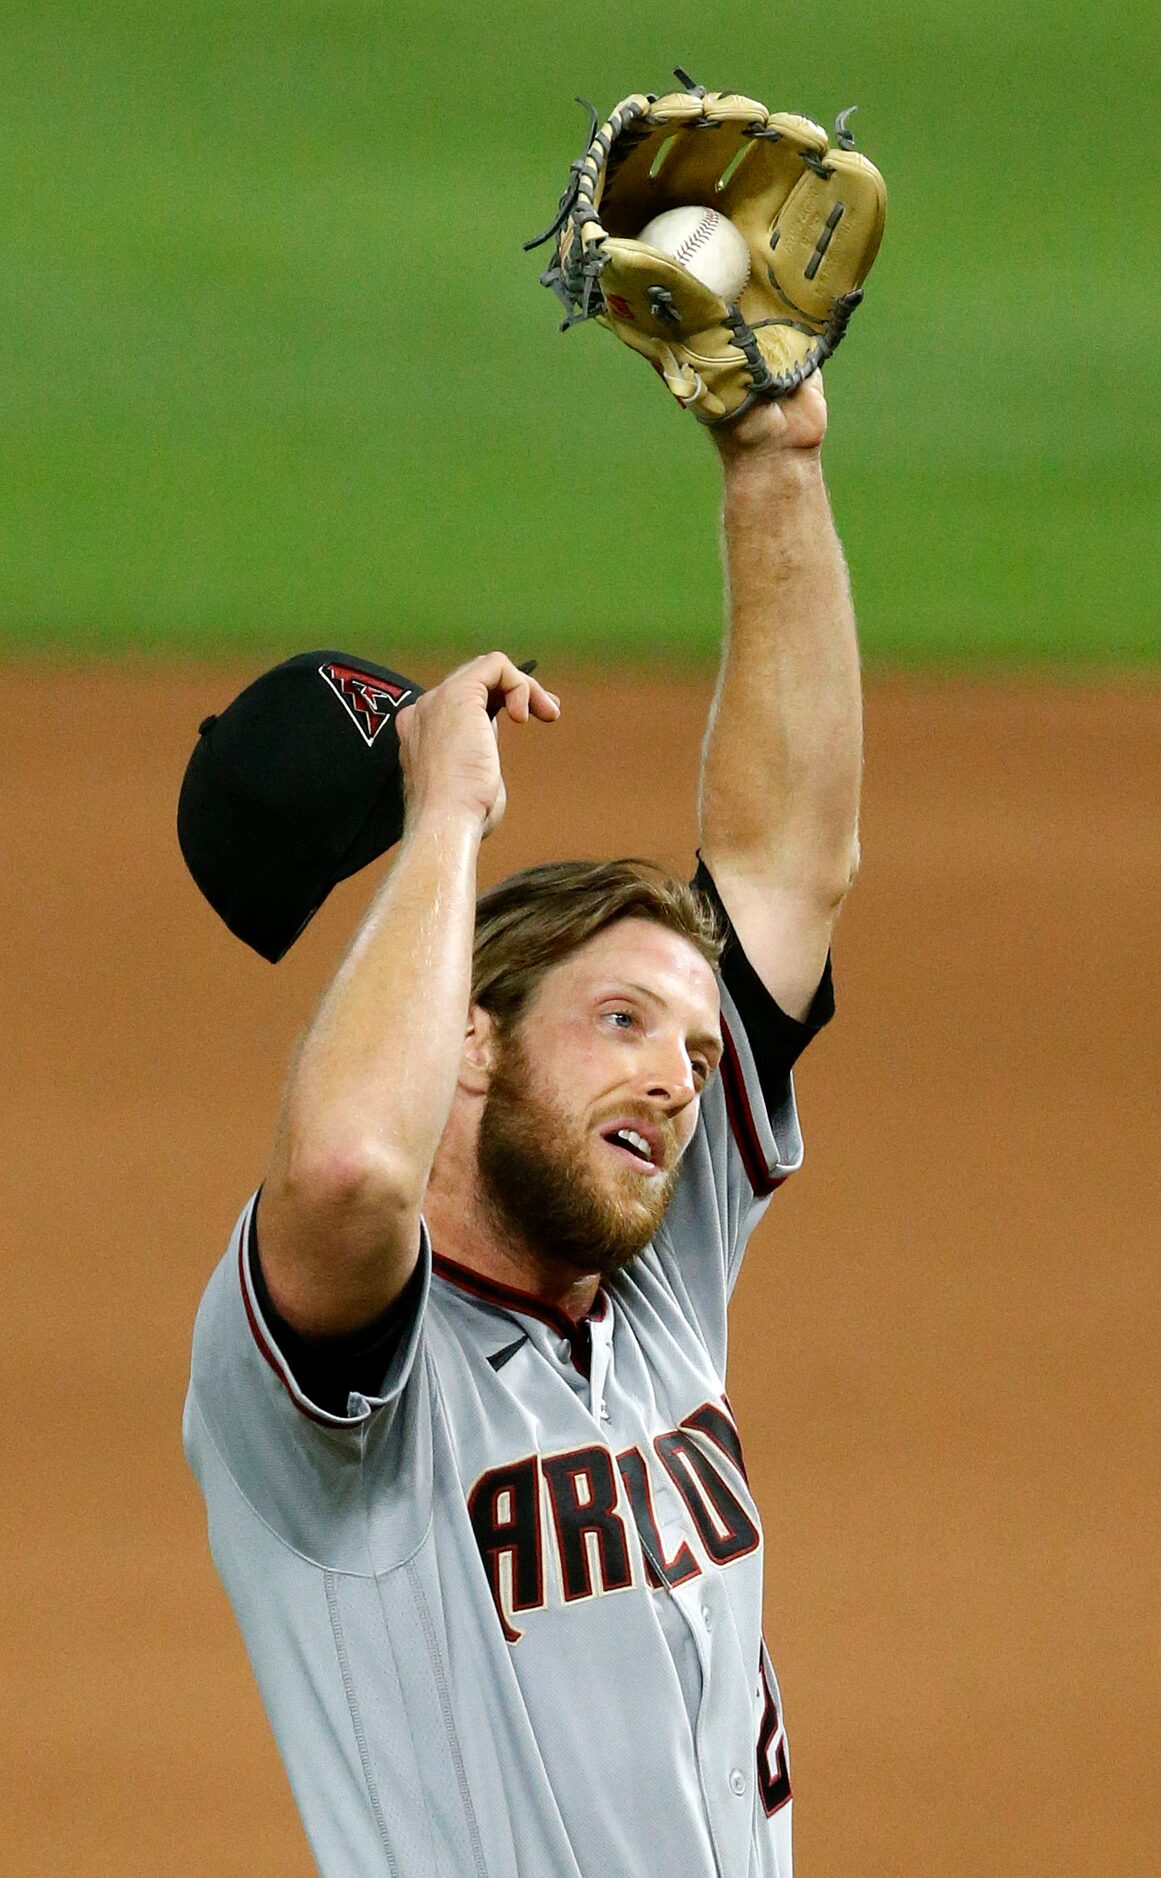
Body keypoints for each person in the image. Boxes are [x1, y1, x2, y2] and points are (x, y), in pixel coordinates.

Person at [184, 372, 862, 1878]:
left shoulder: (657, 1283)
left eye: (692, 1046)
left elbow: (784, 866)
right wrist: (444, 820)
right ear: (469, 1043)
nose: (677, 1075)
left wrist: (775, 459)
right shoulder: (342, 1399)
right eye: (619, 1020)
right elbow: (355, 1163)